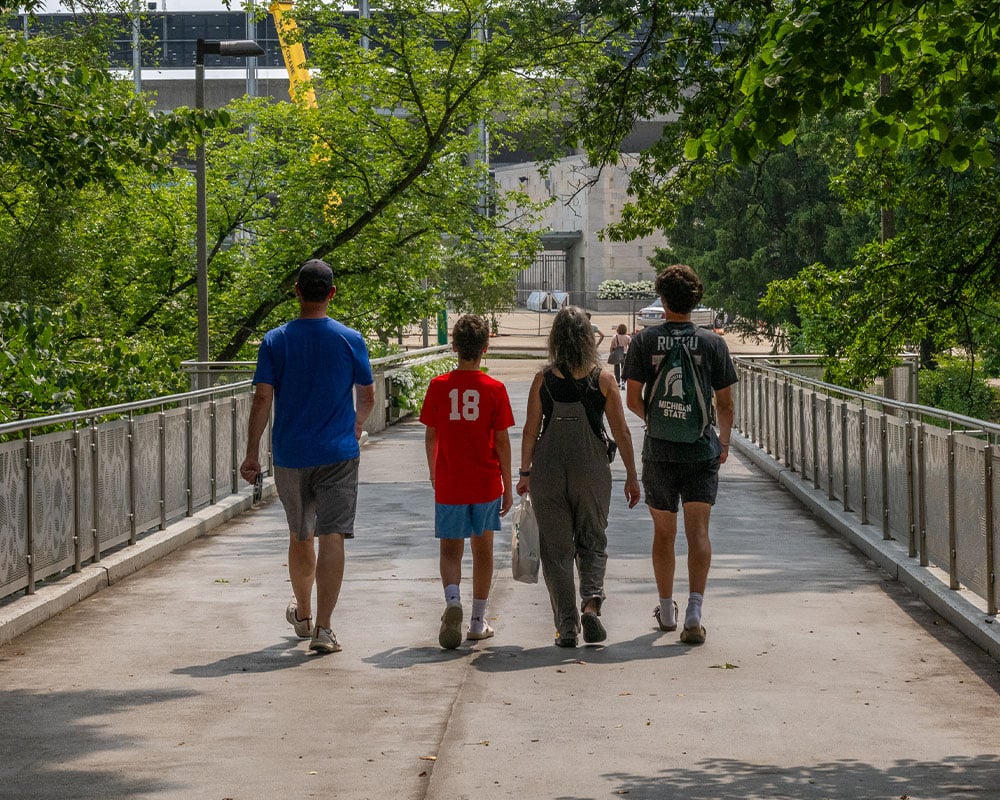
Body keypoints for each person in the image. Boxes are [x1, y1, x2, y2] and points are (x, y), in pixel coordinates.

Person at [240, 259, 376, 655]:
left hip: (291, 455)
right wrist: (354, 425)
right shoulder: (350, 339)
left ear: (297, 292)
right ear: (331, 294)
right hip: (338, 453)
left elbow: (262, 398)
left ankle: (302, 613)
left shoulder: (275, 340)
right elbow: (366, 397)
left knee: (301, 534)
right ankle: (325, 629)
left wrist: (252, 454)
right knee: (332, 535)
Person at [623, 264, 737, 645]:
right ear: (695, 299)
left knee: (663, 533)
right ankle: (695, 610)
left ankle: (666, 608)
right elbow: (725, 403)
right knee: (698, 532)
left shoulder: (644, 342)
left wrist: (658, 420)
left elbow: (632, 398)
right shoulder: (713, 344)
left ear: (663, 297)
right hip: (701, 450)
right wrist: (721, 441)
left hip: (659, 451)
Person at [517, 306, 641, 648]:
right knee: (593, 538)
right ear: (589, 339)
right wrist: (632, 475)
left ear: (555, 340)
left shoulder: (543, 379)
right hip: (592, 470)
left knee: (556, 550)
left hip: (548, 471)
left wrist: (525, 472)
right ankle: (591, 603)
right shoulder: (603, 379)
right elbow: (621, 432)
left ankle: (567, 626)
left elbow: (530, 431)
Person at [420, 315, 515, 649]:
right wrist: (507, 482)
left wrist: (434, 473)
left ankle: (452, 601)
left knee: (450, 550)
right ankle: (477, 619)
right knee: (483, 550)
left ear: (455, 347)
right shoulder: (495, 389)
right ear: (485, 349)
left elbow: (431, 437)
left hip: (451, 480)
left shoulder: (439, 386)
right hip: (486, 482)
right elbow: (502, 442)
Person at [608, 323, 632, 388]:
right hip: (625, 353)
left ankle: (618, 382)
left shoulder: (615, 337)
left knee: (617, 368)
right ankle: (623, 382)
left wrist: (611, 353)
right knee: (624, 368)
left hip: (617, 353)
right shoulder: (627, 337)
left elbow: (612, 346)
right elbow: (630, 346)